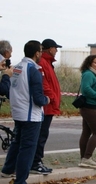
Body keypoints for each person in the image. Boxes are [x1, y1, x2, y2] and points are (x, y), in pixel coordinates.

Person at [1, 40, 50, 184]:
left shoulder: (17, 68)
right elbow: (38, 98)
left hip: (18, 112)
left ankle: (8, 169)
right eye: (41, 50)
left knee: (17, 142)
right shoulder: (33, 70)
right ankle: (20, 183)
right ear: (37, 53)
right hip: (31, 115)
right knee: (27, 148)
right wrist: (47, 100)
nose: (41, 53)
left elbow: (11, 89)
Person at [30, 39, 62, 175]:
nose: (57, 51)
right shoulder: (43, 63)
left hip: (49, 105)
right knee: (41, 135)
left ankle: (36, 161)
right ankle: (35, 162)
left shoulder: (47, 62)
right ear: (50, 49)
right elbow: (44, 84)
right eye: (56, 48)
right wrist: (53, 98)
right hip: (46, 105)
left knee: (42, 134)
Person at [77, 55, 96, 169]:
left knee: (86, 132)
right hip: (90, 107)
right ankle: (87, 157)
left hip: (89, 106)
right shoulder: (89, 74)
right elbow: (86, 89)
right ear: (89, 64)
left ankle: (84, 158)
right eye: (95, 62)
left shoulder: (91, 74)